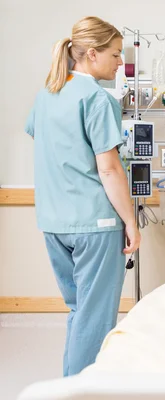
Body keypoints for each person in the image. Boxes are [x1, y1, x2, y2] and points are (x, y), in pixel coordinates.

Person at [25, 17, 141, 376]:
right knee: (94, 318)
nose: (121, 62)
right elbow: (109, 169)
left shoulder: (47, 93)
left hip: (54, 222)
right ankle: (82, 389)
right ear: (92, 54)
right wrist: (131, 222)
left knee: (79, 311)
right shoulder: (97, 98)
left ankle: (71, 383)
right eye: (116, 54)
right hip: (95, 223)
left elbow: (44, 141)